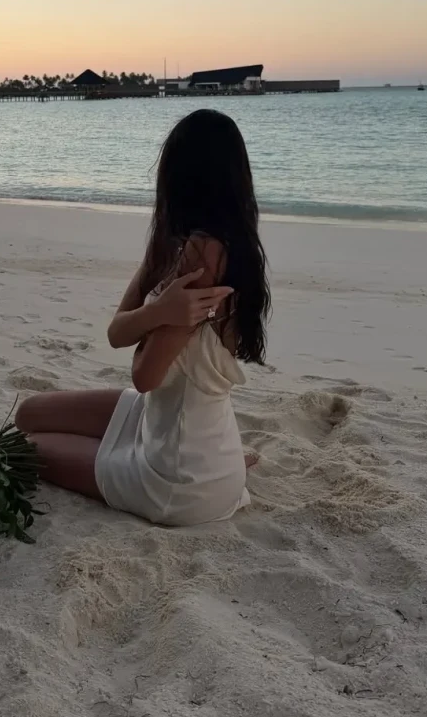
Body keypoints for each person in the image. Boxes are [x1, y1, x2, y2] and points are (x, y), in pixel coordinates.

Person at [15, 109, 271, 526]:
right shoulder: (179, 245)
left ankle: (218, 468)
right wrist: (159, 311)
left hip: (178, 478)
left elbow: (144, 375)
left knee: (26, 446)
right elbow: (116, 333)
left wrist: (157, 318)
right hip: (160, 420)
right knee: (28, 414)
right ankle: (225, 462)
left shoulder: (205, 254)